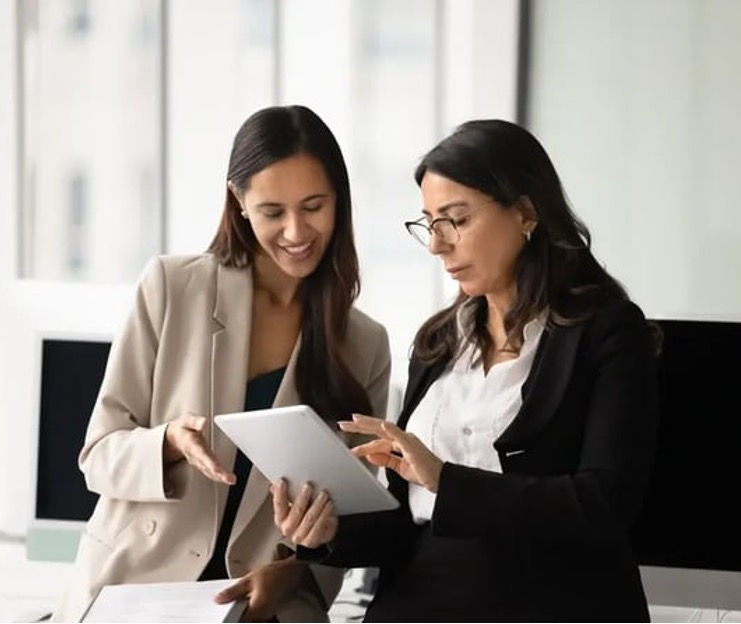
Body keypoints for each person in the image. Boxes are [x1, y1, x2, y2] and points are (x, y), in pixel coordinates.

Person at [273, 119, 659, 622]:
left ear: (525, 212)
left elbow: (604, 502)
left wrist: (446, 481)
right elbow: (404, 525)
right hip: (418, 601)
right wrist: (328, 533)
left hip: (543, 603)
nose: (437, 245)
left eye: (455, 220)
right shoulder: (438, 342)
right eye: (429, 224)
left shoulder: (607, 332)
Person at [53, 105, 391, 622]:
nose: (297, 231)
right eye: (273, 212)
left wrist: (298, 568)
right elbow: (98, 454)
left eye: (314, 206)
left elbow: (349, 518)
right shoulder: (172, 287)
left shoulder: (364, 343)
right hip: (137, 588)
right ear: (238, 201)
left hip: (265, 607)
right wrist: (166, 443)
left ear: (339, 201)